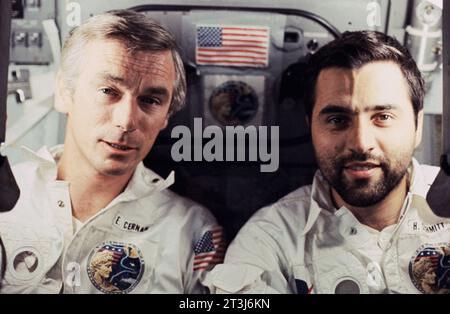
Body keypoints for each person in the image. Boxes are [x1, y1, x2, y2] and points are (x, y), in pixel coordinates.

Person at [204, 31, 450, 294]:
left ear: (417, 126)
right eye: (337, 120)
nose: (360, 142)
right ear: (311, 127)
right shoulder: (268, 240)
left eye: (383, 116)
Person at [0, 10, 225, 294]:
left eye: (150, 100)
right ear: (64, 92)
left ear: (166, 115)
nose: (127, 120)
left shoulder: (194, 233)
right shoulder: (6, 204)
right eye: (108, 91)